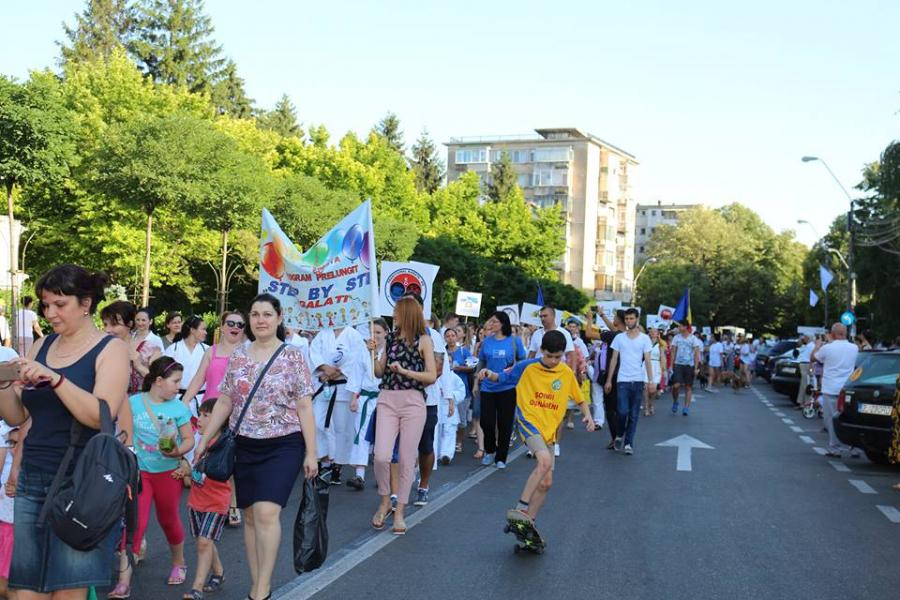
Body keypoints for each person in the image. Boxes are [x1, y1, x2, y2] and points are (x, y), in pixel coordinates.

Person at [0, 264, 130, 597]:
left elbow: (100, 415)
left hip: (83, 483)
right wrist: (3, 383)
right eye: (45, 305)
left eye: (60, 304)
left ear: (85, 303)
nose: (50, 313)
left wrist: (55, 379)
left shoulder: (110, 349)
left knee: (67, 592)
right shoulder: (41, 346)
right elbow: (18, 416)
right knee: (23, 591)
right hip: (34, 477)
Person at [196, 293, 317, 600]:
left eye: (266, 314)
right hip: (244, 444)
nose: (260, 320)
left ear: (278, 318)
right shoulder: (238, 357)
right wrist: (204, 439)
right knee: (249, 516)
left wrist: (312, 453)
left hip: (284, 445)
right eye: (255, 314)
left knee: (265, 513)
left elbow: (304, 407)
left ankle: (261, 588)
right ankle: (256, 581)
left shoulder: (294, 356)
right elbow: (225, 400)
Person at [478, 330, 594, 530]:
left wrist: (588, 416)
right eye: (549, 356)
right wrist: (488, 373)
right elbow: (502, 378)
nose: (553, 361)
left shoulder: (565, 372)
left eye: (558, 357)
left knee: (546, 482)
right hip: (528, 422)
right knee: (545, 461)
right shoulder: (527, 367)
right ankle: (520, 508)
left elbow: (579, 398)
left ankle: (527, 524)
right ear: (542, 351)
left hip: (549, 431)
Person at [110, 356, 194, 598]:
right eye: (175, 381)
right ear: (158, 380)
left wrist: (178, 451)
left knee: (169, 521)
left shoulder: (179, 407)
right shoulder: (134, 402)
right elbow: (122, 433)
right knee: (136, 523)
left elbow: (188, 439)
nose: (179, 386)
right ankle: (124, 581)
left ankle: (179, 563)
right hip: (140, 474)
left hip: (169, 473)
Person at [369, 296, 437, 534]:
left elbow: (431, 376)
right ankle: (385, 500)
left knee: (408, 459)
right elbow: (379, 373)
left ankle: (399, 512)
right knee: (381, 455)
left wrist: (405, 371)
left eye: (397, 311)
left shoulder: (424, 340)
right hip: (387, 398)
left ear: (407, 313)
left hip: (413, 401)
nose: (393, 315)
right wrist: (373, 354)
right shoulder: (389, 338)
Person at [182, 310, 248, 524]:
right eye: (231, 323)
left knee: (230, 461)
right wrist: (183, 403)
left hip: (237, 414)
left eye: (240, 324)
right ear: (222, 325)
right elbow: (198, 379)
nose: (235, 327)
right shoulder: (211, 351)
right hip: (211, 413)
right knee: (210, 459)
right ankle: (212, 505)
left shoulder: (248, 352)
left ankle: (233, 506)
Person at [174, 399, 231, 600]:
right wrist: (185, 471)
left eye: (206, 416)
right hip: (196, 501)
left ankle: (196, 588)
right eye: (201, 413)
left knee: (204, 542)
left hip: (216, 502)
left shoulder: (224, 444)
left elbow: (220, 473)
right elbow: (196, 471)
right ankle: (218, 573)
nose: (200, 419)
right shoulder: (201, 440)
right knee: (204, 541)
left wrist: (234, 506)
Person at [308, 319, 368, 486]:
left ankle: (337, 465)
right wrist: (325, 369)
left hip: (343, 386)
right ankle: (322, 458)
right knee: (317, 422)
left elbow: (356, 360)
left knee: (341, 427)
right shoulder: (323, 333)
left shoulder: (353, 335)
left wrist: (338, 372)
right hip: (324, 384)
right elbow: (314, 354)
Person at [477, 311, 526, 469]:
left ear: (503, 324)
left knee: (505, 424)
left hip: (507, 387)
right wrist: (475, 383)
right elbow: (481, 362)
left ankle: (501, 457)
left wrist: (514, 369)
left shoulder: (514, 341)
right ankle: (490, 451)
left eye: (494, 322)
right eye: (491, 321)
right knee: (487, 422)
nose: (491, 324)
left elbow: (522, 361)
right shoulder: (486, 342)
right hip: (487, 388)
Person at [344, 318, 388, 491]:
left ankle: (382, 476)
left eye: (378, 332)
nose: (375, 336)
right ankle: (359, 475)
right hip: (365, 398)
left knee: (382, 437)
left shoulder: (389, 351)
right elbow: (357, 375)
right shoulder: (363, 351)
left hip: (384, 398)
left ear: (386, 333)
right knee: (361, 434)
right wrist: (354, 397)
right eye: (372, 333)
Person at [604, 309, 656, 454]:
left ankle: (628, 444)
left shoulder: (645, 339)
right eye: (626, 319)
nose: (628, 321)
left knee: (633, 414)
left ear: (637, 319)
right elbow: (614, 359)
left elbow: (647, 360)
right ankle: (620, 433)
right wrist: (609, 380)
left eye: (631, 319)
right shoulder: (619, 338)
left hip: (638, 380)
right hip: (622, 380)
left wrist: (650, 381)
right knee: (622, 411)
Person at [810, 324, 859, 458]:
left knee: (831, 420)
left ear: (832, 334)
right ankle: (853, 447)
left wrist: (818, 344)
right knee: (849, 418)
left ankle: (835, 448)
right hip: (847, 389)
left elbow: (813, 358)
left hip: (831, 388)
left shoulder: (827, 348)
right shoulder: (854, 348)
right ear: (846, 333)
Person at [164, 315, 210, 413]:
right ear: (192, 330)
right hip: (176, 399)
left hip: (201, 399)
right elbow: (164, 375)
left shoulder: (207, 350)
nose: (206, 332)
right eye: (203, 329)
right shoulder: (173, 349)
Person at [670, 321, 703, 416]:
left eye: (680, 326)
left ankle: (686, 407)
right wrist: (671, 365)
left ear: (685, 327)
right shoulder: (676, 338)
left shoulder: (693, 339)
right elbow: (673, 352)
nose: (678, 328)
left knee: (688, 387)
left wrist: (696, 368)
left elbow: (697, 354)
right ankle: (675, 401)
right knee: (676, 386)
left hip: (689, 365)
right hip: (678, 365)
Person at [643, 327, 666, 416]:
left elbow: (663, 357)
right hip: (646, 365)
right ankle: (646, 407)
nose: (653, 333)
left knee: (653, 390)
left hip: (656, 366)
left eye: (655, 332)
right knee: (646, 387)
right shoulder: (645, 343)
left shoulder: (660, 344)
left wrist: (664, 369)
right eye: (651, 332)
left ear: (657, 334)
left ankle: (651, 404)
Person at [795, 334, 816, 408]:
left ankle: (805, 403)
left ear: (808, 338)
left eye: (805, 338)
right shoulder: (808, 346)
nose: (804, 340)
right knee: (804, 384)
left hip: (807, 364)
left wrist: (811, 366)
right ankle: (802, 402)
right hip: (805, 364)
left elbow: (811, 357)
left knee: (805, 384)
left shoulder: (811, 346)